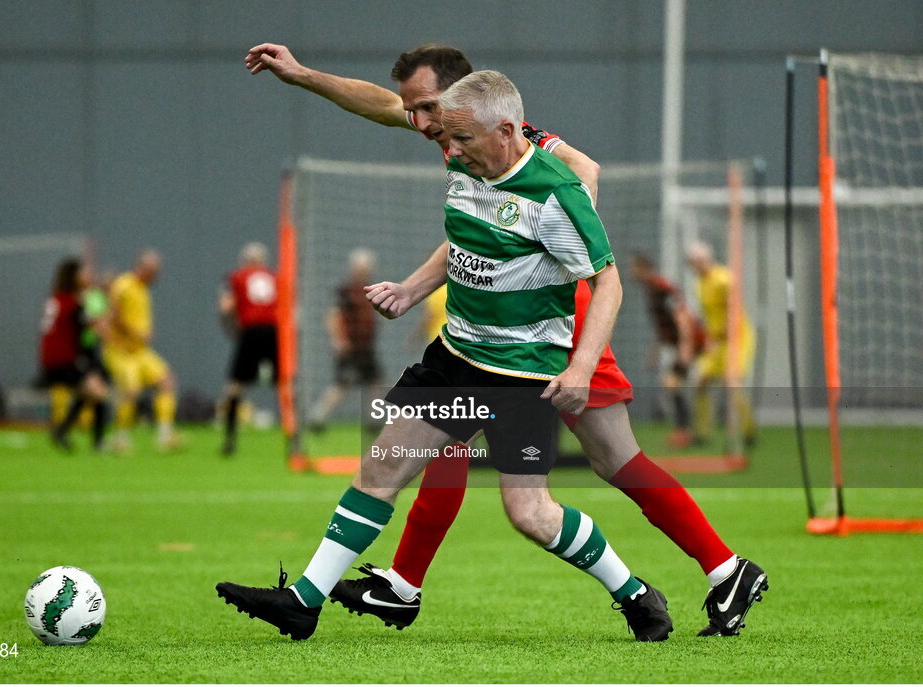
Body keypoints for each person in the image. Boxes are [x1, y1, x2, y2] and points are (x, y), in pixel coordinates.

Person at [244, 43, 767, 638]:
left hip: (555, 323)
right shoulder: (455, 140)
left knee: (612, 463)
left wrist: (553, 240)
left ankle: (724, 570)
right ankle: (399, 585)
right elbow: (384, 111)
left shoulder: (519, 148)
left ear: (468, 100)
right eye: (413, 110)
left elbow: (585, 178)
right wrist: (302, 75)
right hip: (480, 334)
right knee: (436, 445)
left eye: (425, 108)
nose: (415, 121)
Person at [104, 249, 180, 452]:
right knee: (132, 391)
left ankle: (165, 435)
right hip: (121, 350)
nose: (156, 276)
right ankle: (120, 437)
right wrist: (135, 333)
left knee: (166, 381)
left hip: (140, 351)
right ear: (142, 268)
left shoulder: (143, 288)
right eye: (153, 271)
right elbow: (112, 317)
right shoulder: (124, 285)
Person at [630, 253, 706, 448]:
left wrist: (685, 348)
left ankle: (685, 432)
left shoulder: (662, 288)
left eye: (635, 268)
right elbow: (664, 325)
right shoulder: (652, 290)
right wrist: (656, 350)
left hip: (691, 342)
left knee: (672, 384)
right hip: (681, 343)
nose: (632, 272)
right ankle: (688, 431)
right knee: (675, 385)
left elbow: (682, 317)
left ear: (645, 269)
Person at [686, 241, 757, 446]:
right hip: (716, 339)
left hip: (737, 338)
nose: (694, 267)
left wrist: (716, 338)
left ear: (706, 260)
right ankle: (701, 433)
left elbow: (733, 314)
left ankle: (748, 431)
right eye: (691, 263)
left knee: (731, 383)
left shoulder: (724, 280)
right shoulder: (699, 283)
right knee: (701, 380)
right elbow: (709, 316)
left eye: (696, 262)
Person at [38, 258, 110, 451]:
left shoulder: (57, 298)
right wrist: (110, 319)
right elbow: (90, 324)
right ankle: (97, 442)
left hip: (51, 358)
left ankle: (63, 431)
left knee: (88, 391)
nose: (87, 275)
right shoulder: (72, 301)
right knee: (98, 391)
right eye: (83, 272)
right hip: (64, 359)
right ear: (74, 276)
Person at [308, 249, 381, 430]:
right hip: (351, 346)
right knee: (342, 384)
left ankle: (373, 422)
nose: (365, 271)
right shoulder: (346, 292)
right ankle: (317, 417)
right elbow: (334, 315)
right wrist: (338, 340)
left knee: (375, 381)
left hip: (365, 347)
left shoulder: (369, 290)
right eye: (362, 268)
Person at [219, 242, 279, 456]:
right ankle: (295, 439)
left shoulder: (237, 277)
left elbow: (225, 306)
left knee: (235, 385)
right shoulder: (274, 277)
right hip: (274, 331)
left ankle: (229, 440)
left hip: (251, 331)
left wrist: (231, 329)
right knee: (285, 384)